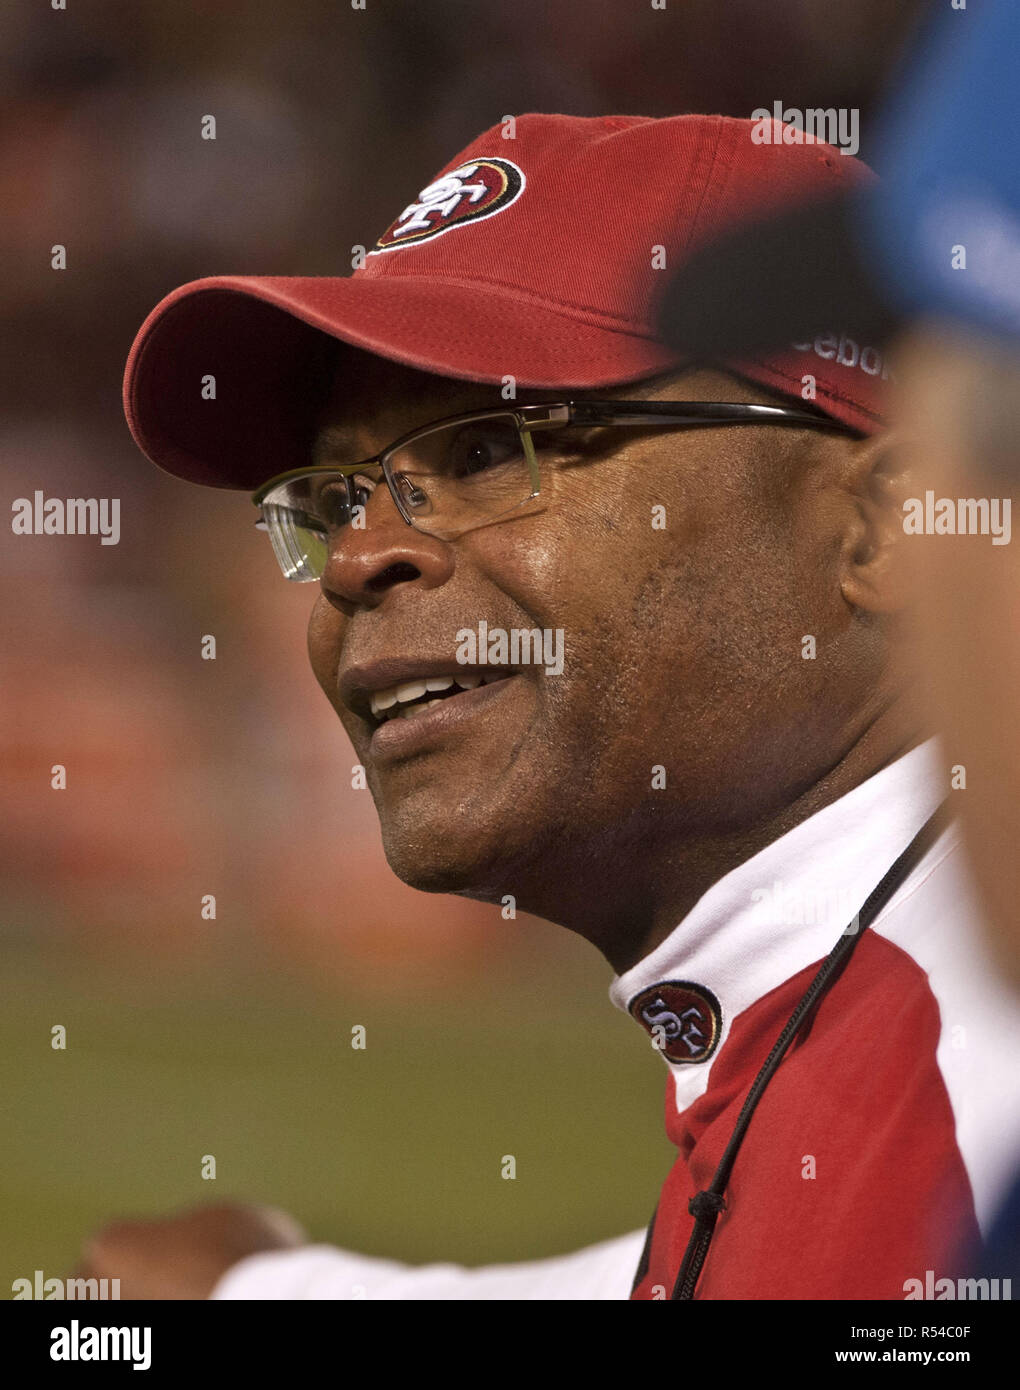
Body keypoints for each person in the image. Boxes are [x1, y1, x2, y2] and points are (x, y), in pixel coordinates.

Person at [86, 113, 1020, 1300]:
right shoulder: (881, 1010)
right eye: (332, 497)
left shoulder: (972, 1080)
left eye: (487, 450)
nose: (355, 556)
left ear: (886, 523)